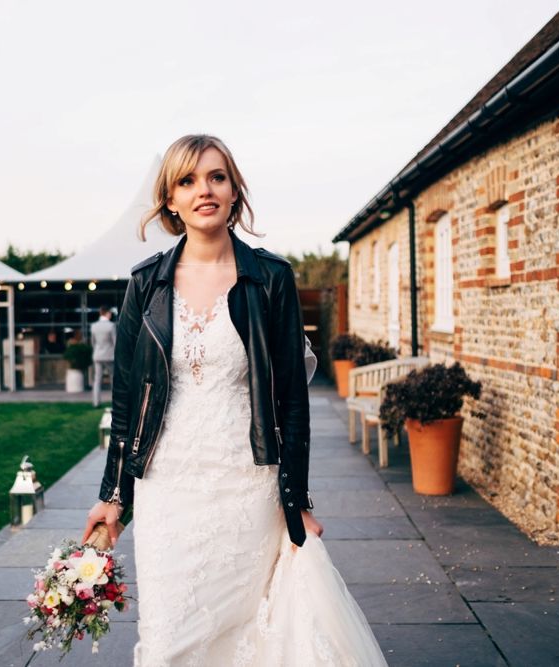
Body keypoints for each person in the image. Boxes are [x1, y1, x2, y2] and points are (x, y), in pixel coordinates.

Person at [82, 134, 387, 666]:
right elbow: (127, 399)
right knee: (166, 641)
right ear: (170, 200)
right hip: (165, 488)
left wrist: (297, 501)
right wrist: (114, 494)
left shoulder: (271, 278)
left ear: (234, 192)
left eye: (217, 177)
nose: (205, 190)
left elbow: (293, 400)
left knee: (246, 637)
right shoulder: (145, 285)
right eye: (188, 180)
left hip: (248, 487)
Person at [90, 305, 116, 407]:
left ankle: (96, 402)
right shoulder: (111, 325)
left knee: (97, 380)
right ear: (107, 313)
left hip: (97, 355)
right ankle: (115, 401)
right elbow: (115, 342)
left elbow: (93, 342)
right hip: (109, 356)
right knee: (113, 379)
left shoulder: (94, 326)